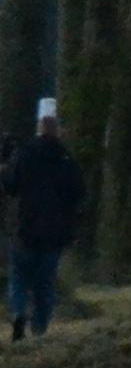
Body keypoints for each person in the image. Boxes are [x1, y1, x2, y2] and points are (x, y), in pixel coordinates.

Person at [5, 101, 84, 340]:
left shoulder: (24, 153)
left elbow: (10, 186)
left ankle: (18, 312)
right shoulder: (66, 158)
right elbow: (78, 193)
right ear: (58, 128)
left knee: (19, 277)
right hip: (54, 231)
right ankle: (39, 329)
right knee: (44, 283)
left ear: (39, 126)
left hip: (24, 227)